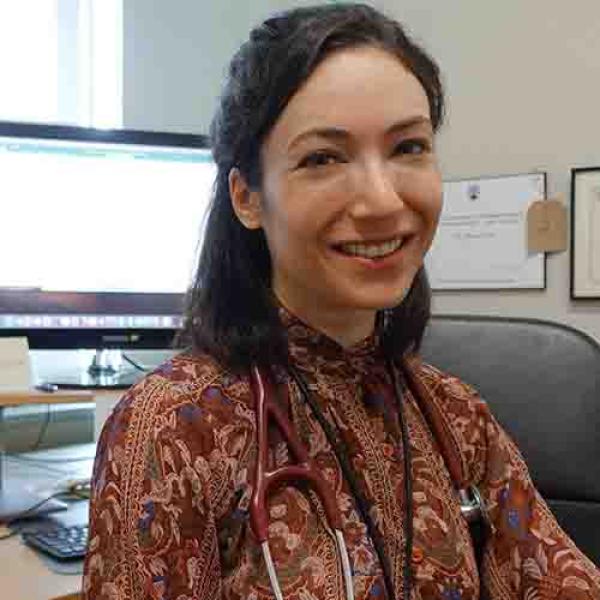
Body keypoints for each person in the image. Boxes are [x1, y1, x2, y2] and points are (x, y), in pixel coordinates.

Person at [82, 4, 600, 600]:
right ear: (247, 197)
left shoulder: (459, 420)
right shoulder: (174, 431)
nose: (381, 200)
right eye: (323, 158)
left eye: (408, 147)